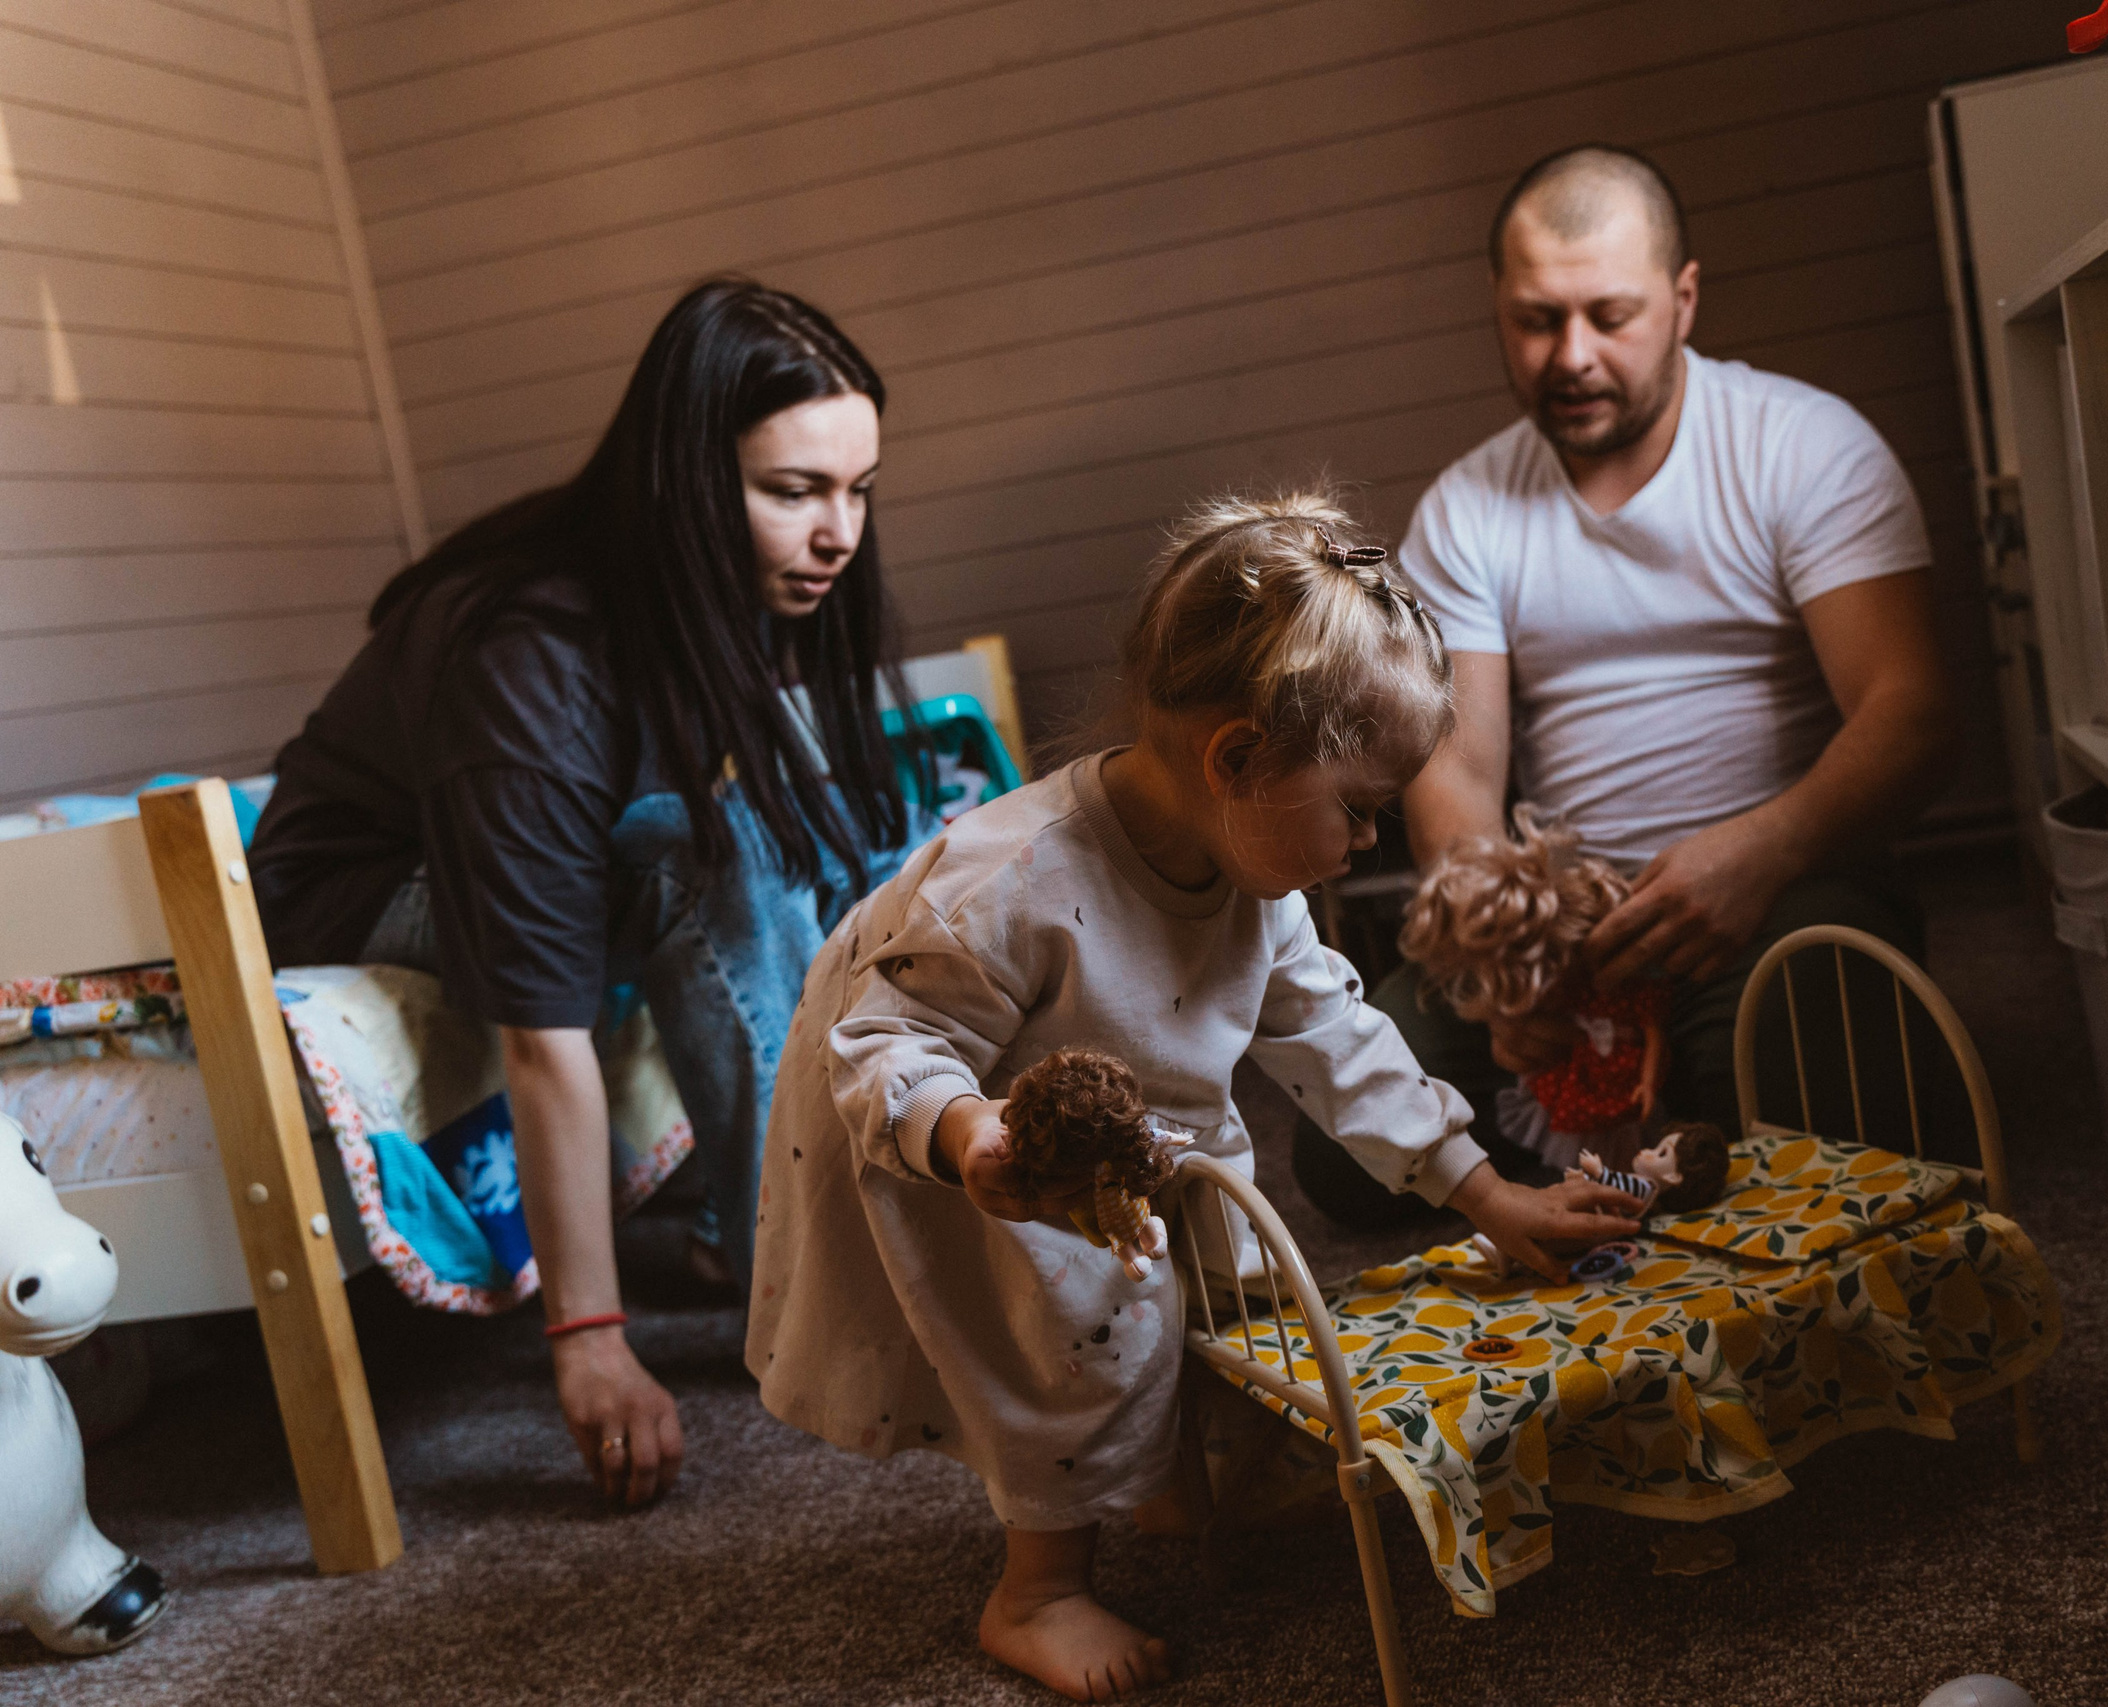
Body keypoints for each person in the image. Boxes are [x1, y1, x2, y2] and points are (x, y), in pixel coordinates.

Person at [747, 490, 1643, 1701]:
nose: (1370, 843)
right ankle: (1038, 1590)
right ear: (1236, 760)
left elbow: (1336, 1033)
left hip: (1130, 1119)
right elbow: (884, 1043)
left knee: (1213, 1282)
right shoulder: (1004, 889)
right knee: (1077, 1340)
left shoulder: (1252, 880)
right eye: (1361, 808)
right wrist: (972, 1138)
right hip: (961, 1125)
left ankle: (1167, 1472)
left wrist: (1485, 1193)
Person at [249, 279, 930, 1507]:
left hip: (484, 846)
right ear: (682, 480)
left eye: (857, 490)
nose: (840, 534)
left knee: (804, 836)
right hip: (348, 894)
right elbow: (541, 1034)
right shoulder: (535, 660)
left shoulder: (720, 590)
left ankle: (760, 1222)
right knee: (710, 856)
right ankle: (800, 1268)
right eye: (793, 492)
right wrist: (591, 1338)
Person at [1291, 143, 1957, 1227]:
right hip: (1566, 931)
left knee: (1833, 1078)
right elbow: (1455, 775)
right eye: (1536, 319)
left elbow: (1914, 717)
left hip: (1787, 891)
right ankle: (1652, 1134)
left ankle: (1654, 1133)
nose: (1573, 354)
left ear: (1683, 299)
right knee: (1339, 1147)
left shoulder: (1805, 448)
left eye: (1610, 314)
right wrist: (1509, 961)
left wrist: (1762, 851)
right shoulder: (1467, 509)